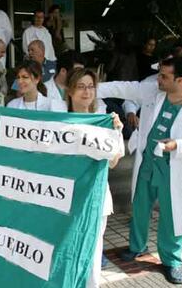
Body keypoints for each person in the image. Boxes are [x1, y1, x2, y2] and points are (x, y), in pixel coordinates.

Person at [97, 57, 182, 284]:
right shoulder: (154, 92)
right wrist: (91, 86)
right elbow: (125, 88)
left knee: (172, 217)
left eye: (164, 76)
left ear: (180, 80)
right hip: (148, 163)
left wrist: (179, 146)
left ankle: (172, 261)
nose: (158, 79)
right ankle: (136, 247)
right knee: (140, 207)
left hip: (175, 167)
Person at [66, 68, 124, 288]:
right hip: (66, 196)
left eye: (90, 86)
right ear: (70, 91)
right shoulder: (60, 123)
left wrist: (116, 132)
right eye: (80, 86)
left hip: (95, 198)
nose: (86, 91)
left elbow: (112, 162)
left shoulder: (105, 121)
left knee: (92, 250)